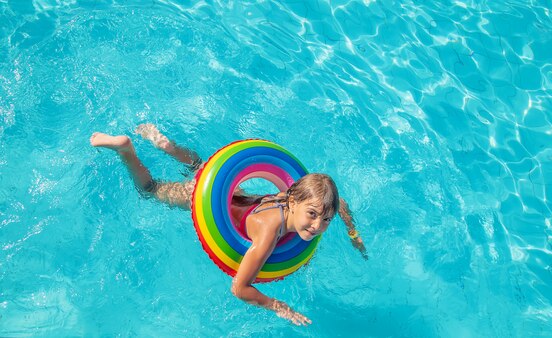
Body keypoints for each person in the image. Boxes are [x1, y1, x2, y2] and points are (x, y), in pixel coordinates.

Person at [90, 123, 367, 325]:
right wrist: (279, 307)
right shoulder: (270, 234)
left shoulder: (292, 196)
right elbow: (239, 288)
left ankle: (168, 146)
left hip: (235, 195)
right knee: (150, 190)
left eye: (325, 219)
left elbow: (338, 204)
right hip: (205, 203)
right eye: (313, 215)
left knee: (200, 164)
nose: (318, 225)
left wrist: (352, 232)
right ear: (294, 201)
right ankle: (126, 150)